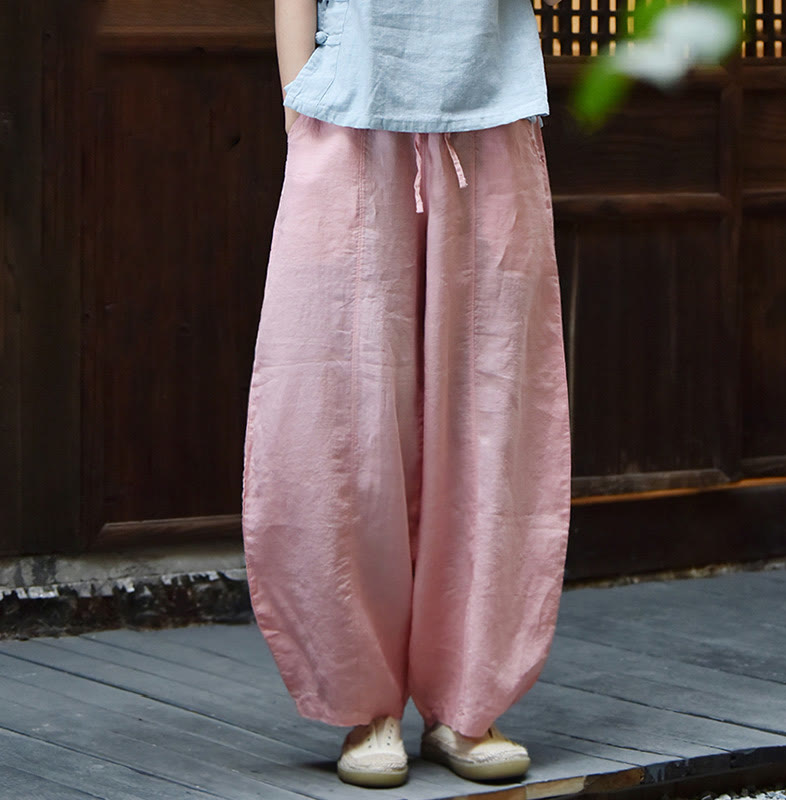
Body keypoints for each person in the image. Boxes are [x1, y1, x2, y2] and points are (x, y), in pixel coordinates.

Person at [241, 0, 570, 789]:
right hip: (347, 106)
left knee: (490, 410)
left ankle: (467, 702)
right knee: (341, 408)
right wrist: (298, 105)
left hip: (491, 110)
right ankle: (367, 704)